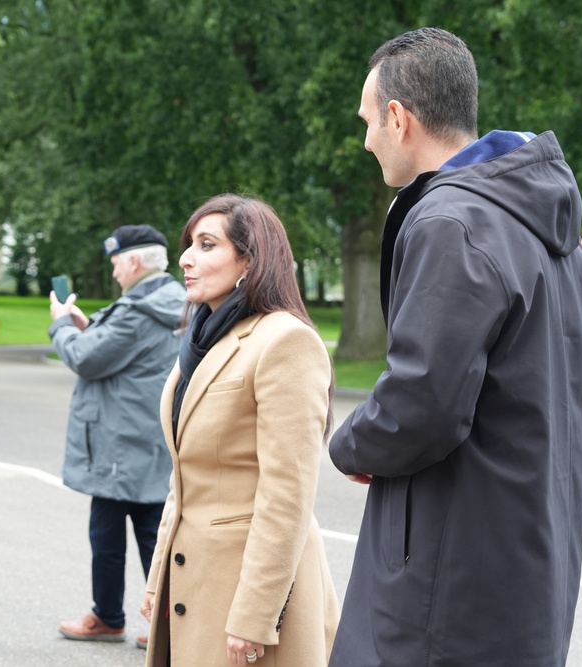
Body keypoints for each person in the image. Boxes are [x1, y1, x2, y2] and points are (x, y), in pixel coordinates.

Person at [328, 28, 582, 666]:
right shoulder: (545, 226)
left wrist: (350, 443)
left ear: (399, 118)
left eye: (369, 121)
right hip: (525, 555)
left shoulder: (451, 221)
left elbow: (423, 402)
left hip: (449, 578)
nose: (366, 139)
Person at [140, 194, 339, 666]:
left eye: (207, 245)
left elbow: (286, 495)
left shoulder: (285, 341)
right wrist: (157, 580)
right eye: (189, 243)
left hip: (248, 595)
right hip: (193, 582)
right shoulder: (202, 339)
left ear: (251, 260)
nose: (186, 258)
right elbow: (184, 478)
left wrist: (255, 615)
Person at [50, 224, 186, 649]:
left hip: (119, 443)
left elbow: (86, 358)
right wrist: (89, 326)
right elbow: (124, 352)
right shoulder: (174, 303)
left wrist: (61, 326)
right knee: (153, 533)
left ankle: (109, 617)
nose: (113, 274)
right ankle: (168, 623)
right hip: (150, 437)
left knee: (109, 536)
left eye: (115, 264)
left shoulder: (137, 311)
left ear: (132, 261)